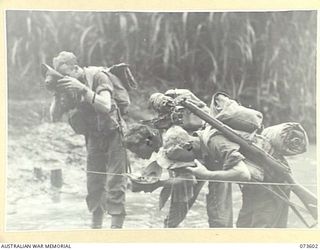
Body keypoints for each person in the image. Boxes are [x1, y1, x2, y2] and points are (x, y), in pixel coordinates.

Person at [49, 51, 128, 229]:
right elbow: (54, 117)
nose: (66, 80)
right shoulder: (68, 86)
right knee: (94, 183)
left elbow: (106, 106)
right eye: (62, 77)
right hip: (93, 135)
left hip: (114, 133)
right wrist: (56, 91)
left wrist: (82, 88)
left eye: (67, 76)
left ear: (76, 68)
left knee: (115, 182)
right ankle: (96, 229)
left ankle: (116, 233)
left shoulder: (98, 77)